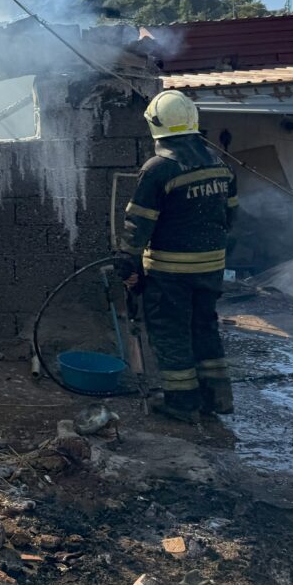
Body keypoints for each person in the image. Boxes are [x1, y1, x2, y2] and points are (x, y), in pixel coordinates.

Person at [116, 89, 237, 424]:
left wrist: (126, 259)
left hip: (170, 272)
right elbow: (231, 218)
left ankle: (182, 404)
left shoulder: (158, 169)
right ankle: (217, 397)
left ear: (156, 126)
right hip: (211, 268)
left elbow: (138, 222)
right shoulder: (219, 165)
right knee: (204, 328)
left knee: (171, 333)